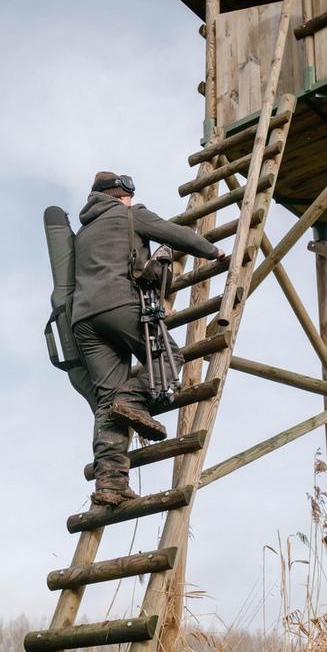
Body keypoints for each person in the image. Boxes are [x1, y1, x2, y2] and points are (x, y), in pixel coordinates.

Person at [72, 171, 223, 507]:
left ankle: (110, 483)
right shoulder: (131, 214)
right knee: (168, 358)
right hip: (121, 305)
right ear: (119, 194)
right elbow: (177, 235)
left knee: (107, 399)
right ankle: (132, 402)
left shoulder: (82, 234)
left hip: (83, 321)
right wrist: (214, 252)